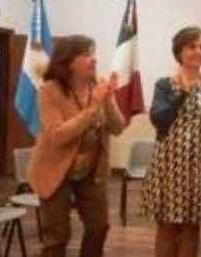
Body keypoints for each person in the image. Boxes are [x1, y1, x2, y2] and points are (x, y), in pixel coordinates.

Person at [28, 35, 127, 257]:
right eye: (86, 54)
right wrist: (92, 108)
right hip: (54, 171)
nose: (94, 59)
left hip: (90, 170)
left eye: (93, 53)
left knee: (99, 227)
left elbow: (118, 127)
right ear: (68, 61)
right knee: (58, 236)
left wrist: (108, 101)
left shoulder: (97, 87)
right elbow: (57, 136)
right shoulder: (49, 90)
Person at [141, 26, 201, 257]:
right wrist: (183, 93)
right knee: (167, 225)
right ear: (179, 51)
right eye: (192, 46)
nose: (198, 51)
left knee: (192, 225)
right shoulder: (165, 84)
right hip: (170, 163)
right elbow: (158, 119)